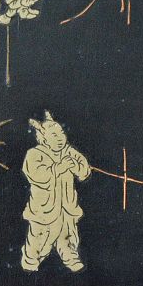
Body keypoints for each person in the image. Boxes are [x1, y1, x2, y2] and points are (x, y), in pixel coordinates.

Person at [20, 112, 91, 272]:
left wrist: (76, 166)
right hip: (44, 209)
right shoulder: (34, 154)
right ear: (44, 138)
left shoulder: (68, 151)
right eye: (54, 135)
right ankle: (30, 261)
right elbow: (36, 175)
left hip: (66, 206)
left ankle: (70, 257)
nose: (60, 138)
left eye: (61, 133)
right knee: (39, 239)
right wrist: (58, 168)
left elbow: (84, 169)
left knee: (68, 235)